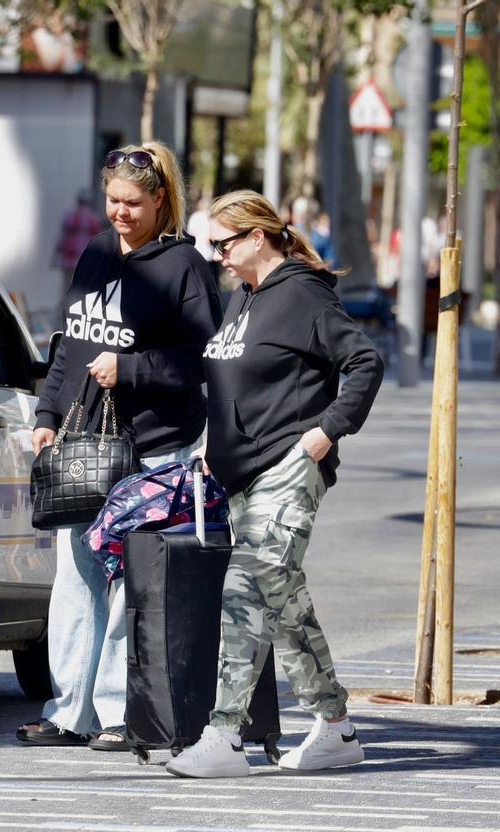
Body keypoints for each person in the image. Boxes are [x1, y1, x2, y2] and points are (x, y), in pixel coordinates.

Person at [166, 190, 383, 778]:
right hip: (241, 474)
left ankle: (224, 736)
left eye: (223, 243)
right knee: (284, 605)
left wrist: (325, 434)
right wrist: (215, 442)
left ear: (256, 238)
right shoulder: (245, 297)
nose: (215, 255)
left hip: (287, 470)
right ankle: (337, 728)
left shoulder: (303, 295)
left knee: (244, 594)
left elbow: (364, 362)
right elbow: (237, 380)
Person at [17, 142, 223, 750]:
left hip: (156, 449)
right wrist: (48, 412)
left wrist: (130, 369)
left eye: (133, 202)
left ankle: (115, 712)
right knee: (77, 579)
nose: (120, 213)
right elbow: (71, 344)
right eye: (112, 200)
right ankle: (68, 710)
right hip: (86, 446)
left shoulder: (185, 267)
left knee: (130, 580)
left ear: (162, 200)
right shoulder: (97, 253)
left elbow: (201, 358)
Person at [54, 189, 105, 298]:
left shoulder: (69, 215)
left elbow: (62, 238)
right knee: (82, 287)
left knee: (67, 286)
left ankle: (64, 309)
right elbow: (99, 240)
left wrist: (55, 257)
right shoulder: (93, 218)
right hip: (84, 259)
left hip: (69, 257)